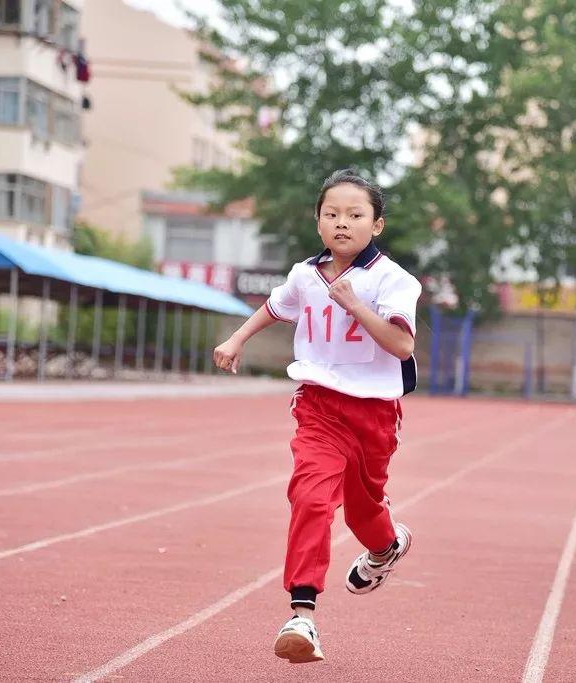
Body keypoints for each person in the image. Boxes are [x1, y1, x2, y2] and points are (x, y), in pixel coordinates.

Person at [212, 169, 422, 664]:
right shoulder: (304, 274)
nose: (342, 223)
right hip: (319, 406)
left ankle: (387, 544)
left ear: (377, 225)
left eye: (355, 215)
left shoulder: (394, 281)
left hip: (373, 413)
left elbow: (402, 344)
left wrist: (355, 304)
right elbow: (275, 306)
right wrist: (238, 337)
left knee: (363, 508)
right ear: (318, 222)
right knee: (310, 496)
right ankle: (302, 612)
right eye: (332, 214)